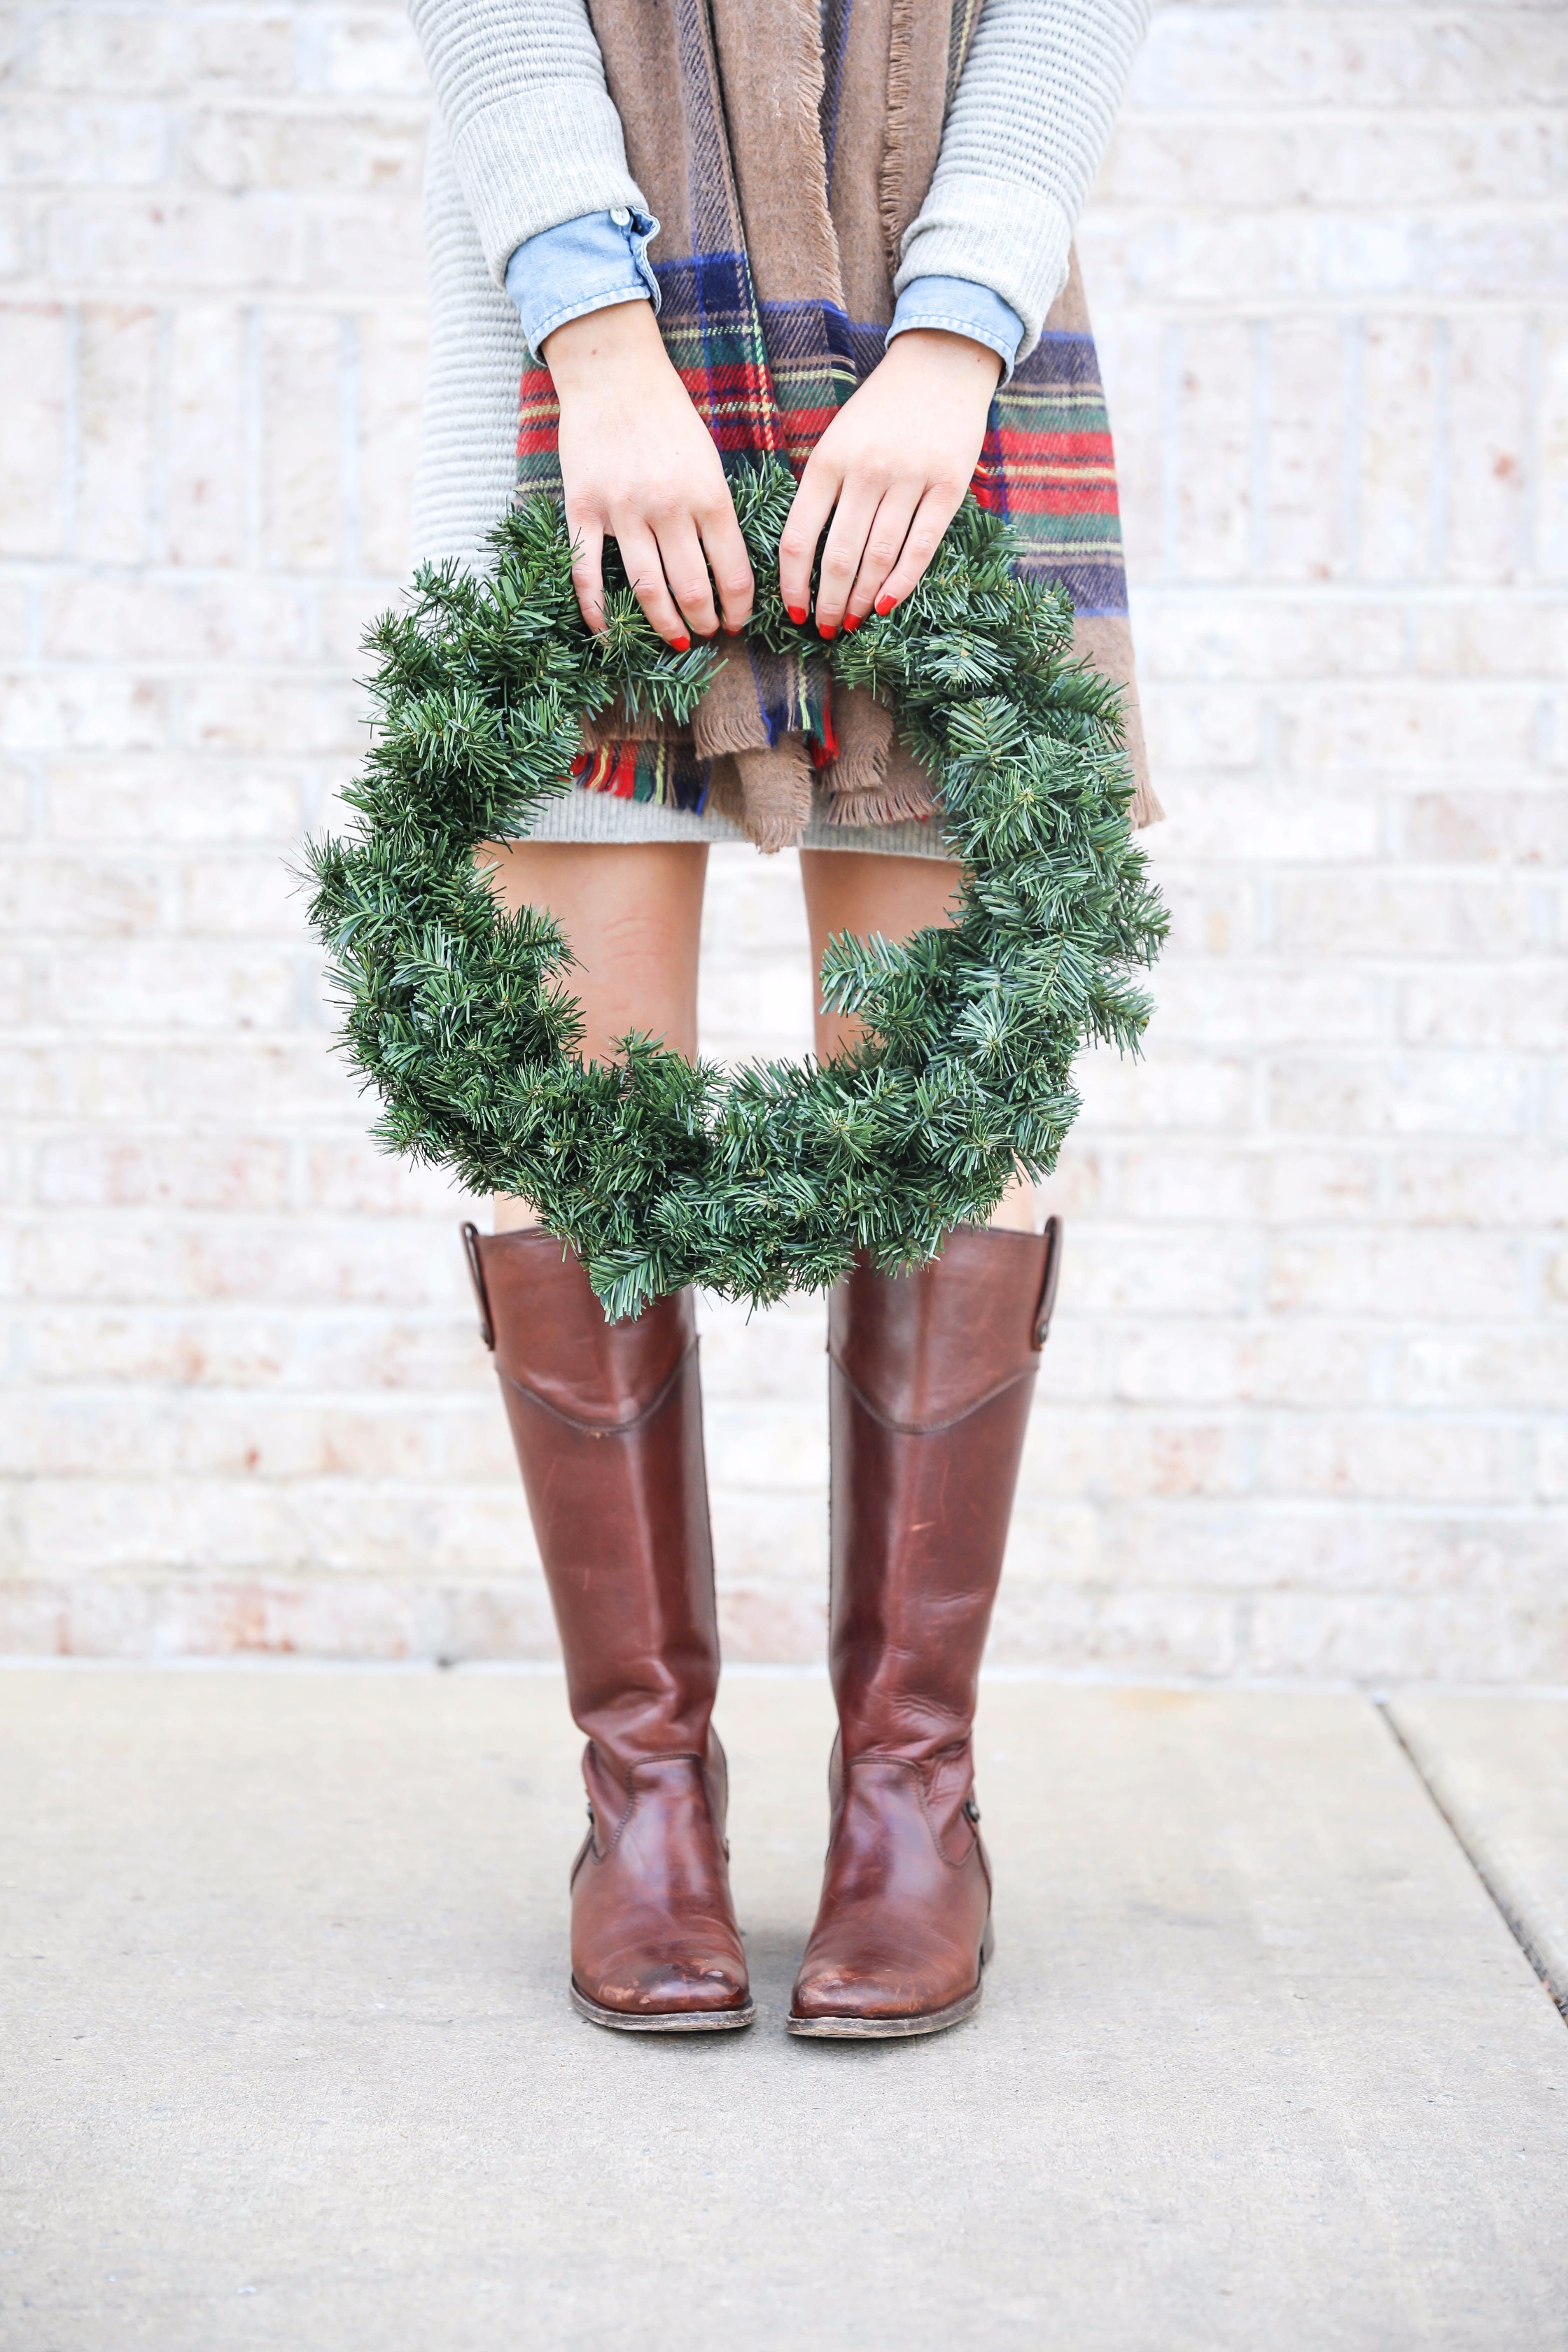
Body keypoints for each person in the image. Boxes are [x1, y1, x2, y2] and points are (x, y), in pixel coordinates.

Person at [412, 0, 1155, 2038]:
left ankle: (912, 1805)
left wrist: (953, 338)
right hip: (563, 347)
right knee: (565, 1097)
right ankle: (644, 1795)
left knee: (949, 1083)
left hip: (951, 367)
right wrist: (599, 345)